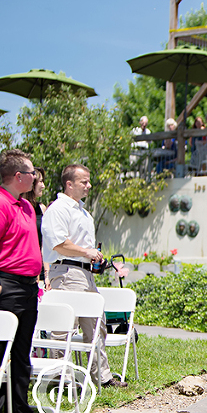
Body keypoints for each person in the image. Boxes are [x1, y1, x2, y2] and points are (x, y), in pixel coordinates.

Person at [0, 149, 51, 413]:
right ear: (18, 176)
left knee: (22, 351)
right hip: (5, 286)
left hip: (28, 288)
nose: (36, 177)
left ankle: (20, 410)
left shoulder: (27, 206)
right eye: (32, 173)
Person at [42, 164, 127, 388]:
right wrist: (86, 252)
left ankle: (102, 377)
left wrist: (93, 258)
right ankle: (63, 379)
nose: (89, 186)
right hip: (67, 271)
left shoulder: (82, 211)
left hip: (85, 273)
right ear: (69, 184)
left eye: (89, 181)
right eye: (84, 182)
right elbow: (58, 244)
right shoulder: (58, 209)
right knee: (65, 327)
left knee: (97, 324)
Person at [21, 167, 49, 284]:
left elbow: (45, 243)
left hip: (40, 269)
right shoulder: (19, 207)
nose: (43, 186)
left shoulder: (41, 208)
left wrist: (47, 273)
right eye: (40, 182)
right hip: (23, 268)